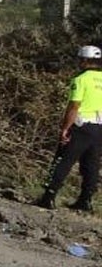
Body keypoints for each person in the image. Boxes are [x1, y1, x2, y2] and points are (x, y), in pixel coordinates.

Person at [35, 45, 102, 211]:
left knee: (63, 161)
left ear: (84, 60)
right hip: (99, 128)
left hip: (81, 126)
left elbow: (74, 106)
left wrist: (65, 128)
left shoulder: (80, 79)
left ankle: (48, 197)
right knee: (91, 165)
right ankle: (85, 200)